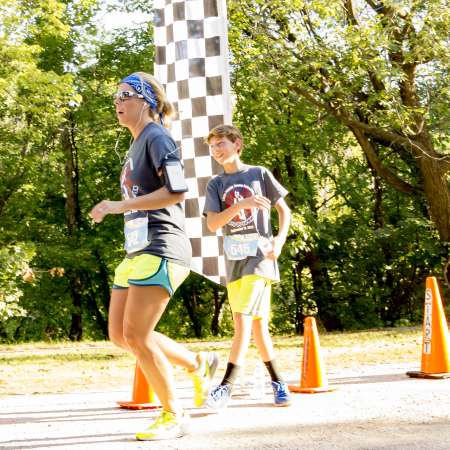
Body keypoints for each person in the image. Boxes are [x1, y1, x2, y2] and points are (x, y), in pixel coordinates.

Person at [90, 72, 218, 440]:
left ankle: (173, 414)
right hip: (137, 249)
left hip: (163, 245)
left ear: (145, 100)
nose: (117, 101)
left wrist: (117, 205)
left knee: (138, 335)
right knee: (120, 334)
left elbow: (176, 190)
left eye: (125, 94)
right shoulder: (136, 144)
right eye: (115, 95)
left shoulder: (157, 137)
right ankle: (198, 363)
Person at [203, 124, 292, 409]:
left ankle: (225, 387)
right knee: (258, 326)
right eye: (213, 147)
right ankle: (279, 383)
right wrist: (242, 206)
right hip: (234, 260)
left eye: (222, 144)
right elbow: (214, 223)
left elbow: (284, 211)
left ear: (237, 144)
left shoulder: (259, 174)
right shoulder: (215, 184)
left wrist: (279, 240)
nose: (217, 150)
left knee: (241, 320)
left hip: (260, 259)